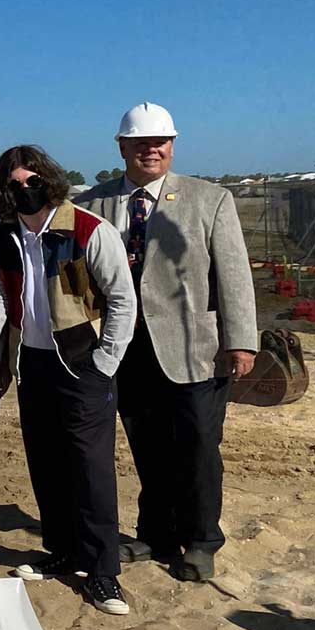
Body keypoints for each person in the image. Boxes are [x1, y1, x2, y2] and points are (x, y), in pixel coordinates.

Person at [75, 102, 258, 582]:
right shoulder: (91, 205)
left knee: (198, 446)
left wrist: (242, 341)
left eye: (160, 142)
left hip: (194, 349)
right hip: (124, 349)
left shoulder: (209, 200)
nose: (151, 150)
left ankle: (201, 540)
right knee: (147, 445)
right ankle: (155, 533)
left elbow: (234, 275)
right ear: (122, 147)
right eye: (140, 143)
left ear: (172, 146)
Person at [0, 144, 136, 616]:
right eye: (15, 185)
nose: (25, 190)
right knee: (46, 462)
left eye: (33, 181)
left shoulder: (88, 230)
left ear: (50, 181)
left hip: (84, 362)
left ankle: (103, 571)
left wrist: (105, 362)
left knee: (91, 468)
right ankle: (63, 551)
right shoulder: (4, 237)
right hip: (34, 363)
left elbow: (122, 299)